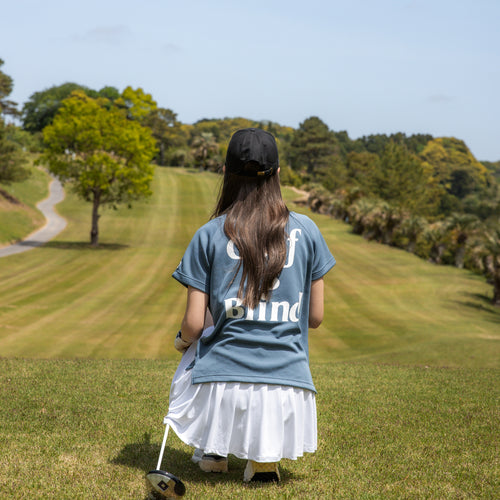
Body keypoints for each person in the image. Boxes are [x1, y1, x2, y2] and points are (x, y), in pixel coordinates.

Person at [165, 127, 335, 483]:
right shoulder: (308, 230)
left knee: (197, 347)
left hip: (219, 386)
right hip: (289, 387)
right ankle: (263, 463)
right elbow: (316, 318)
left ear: (225, 173)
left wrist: (182, 340)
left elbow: (195, 324)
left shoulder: (209, 233)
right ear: (277, 174)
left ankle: (213, 452)